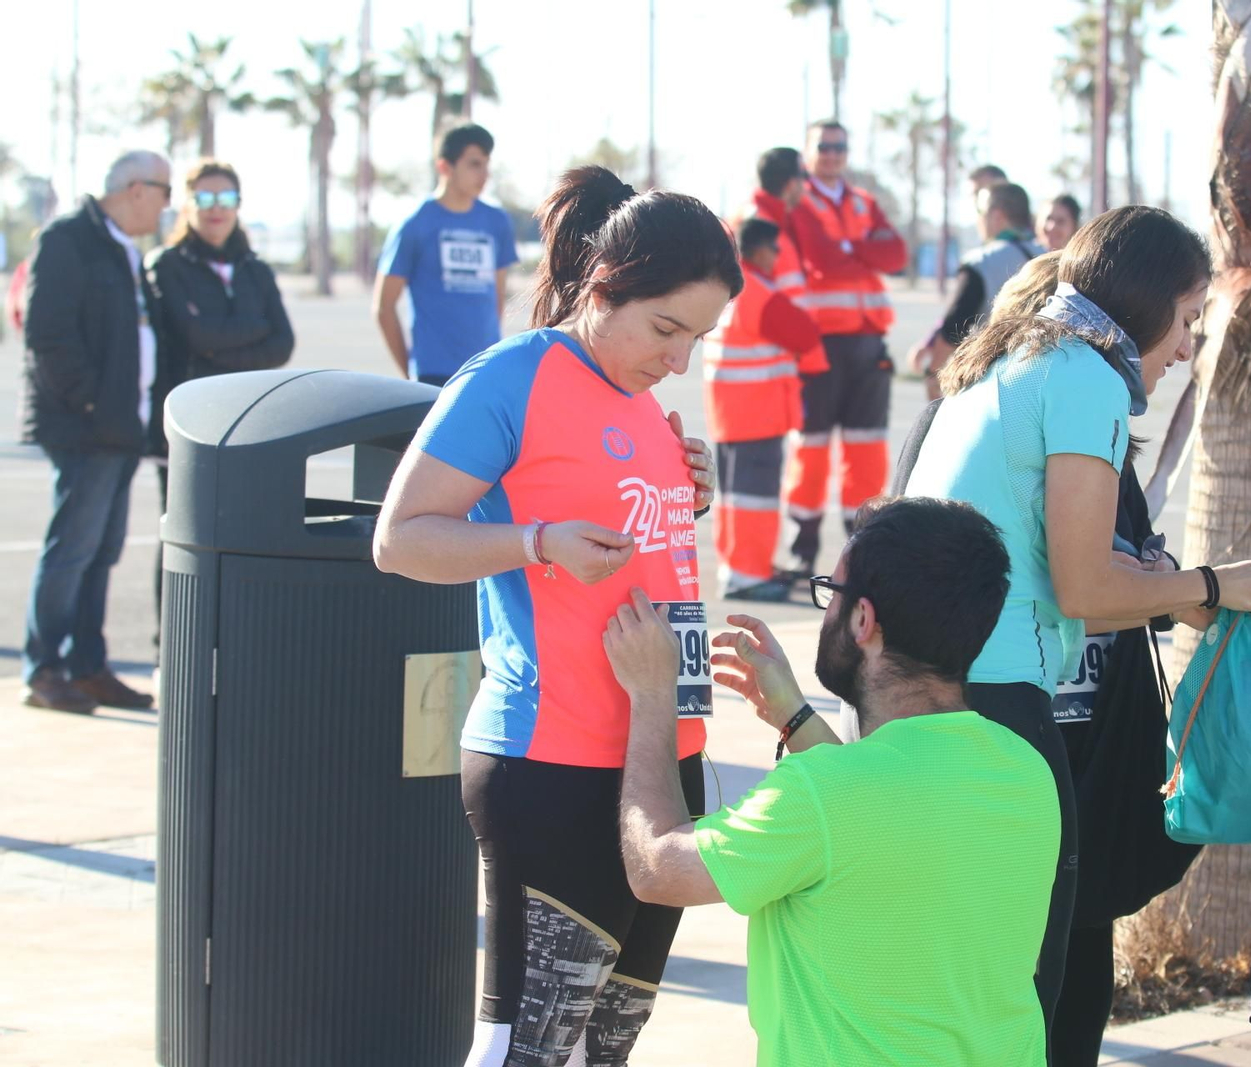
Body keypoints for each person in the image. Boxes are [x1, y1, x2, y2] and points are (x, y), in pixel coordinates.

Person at [372, 165, 736, 1067]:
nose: (679, 358)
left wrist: (689, 495)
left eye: (699, 338)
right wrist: (534, 541)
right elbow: (400, 538)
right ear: (606, 285)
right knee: (527, 1050)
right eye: (665, 328)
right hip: (554, 762)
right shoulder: (513, 377)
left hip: (663, 759)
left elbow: (635, 549)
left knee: (603, 1048)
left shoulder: (650, 406)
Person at [905, 206, 1251, 1059]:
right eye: (1189, 318)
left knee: (986, 975)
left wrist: (1173, 592)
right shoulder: (1085, 376)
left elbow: (1058, 562)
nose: (1188, 345)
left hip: (945, 697)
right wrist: (1213, 584)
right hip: (1005, 704)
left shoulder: (1019, 355)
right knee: (1041, 991)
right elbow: (1084, 587)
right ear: (1148, 302)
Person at [602, 496, 1059, 1066]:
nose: (826, 611)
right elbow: (884, 823)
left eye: (831, 593)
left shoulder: (822, 794)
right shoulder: (1025, 770)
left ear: (863, 620)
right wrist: (794, 716)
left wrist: (650, 696)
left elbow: (658, 869)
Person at [20, 149, 171, 714]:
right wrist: (93, 405)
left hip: (118, 430)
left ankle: (87, 668)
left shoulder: (124, 250)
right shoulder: (69, 239)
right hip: (87, 428)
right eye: (165, 192)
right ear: (136, 189)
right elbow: (48, 335)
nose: (166, 208)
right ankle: (44, 668)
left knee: (100, 552)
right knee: (72, 550)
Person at [146, 159, 295, 630]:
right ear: (187, 205)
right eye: (205, 199)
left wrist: (222, 338)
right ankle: (171, 638)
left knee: (245, 530)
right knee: (184, 531)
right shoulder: (165, 266)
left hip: (250, 422)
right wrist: (251, 332)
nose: (216, 210)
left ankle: (234, 636)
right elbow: (193, 336)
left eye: (226, 200)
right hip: (189, 428)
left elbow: (283, 343)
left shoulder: (254, 269)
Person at [784, 120, 907, 574]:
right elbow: (823, 259)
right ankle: (804, 548)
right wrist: (861, 249)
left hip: (868, 344)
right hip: (818, 344)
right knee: (811, 448)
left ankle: (861, 548)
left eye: (839, 146)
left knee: (866, 449)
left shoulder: (864, 202)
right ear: (808, 152)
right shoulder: (800, 202)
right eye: (823, 147)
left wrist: (848, 247)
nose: (832, 154)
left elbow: (896, 256)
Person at [704, 218, 827, 602]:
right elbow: (803, 333)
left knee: (734, 499)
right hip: (756, 410)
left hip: (731, 410)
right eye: (776, 250)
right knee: (754, 500)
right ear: (760, 251)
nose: (778, 257)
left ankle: (738, 567)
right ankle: (748, 576)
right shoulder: (759, 290)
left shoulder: (729, 289)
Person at [375, 122, 518, 386]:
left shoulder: (497, 222)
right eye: (474, 164)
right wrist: (408, 373)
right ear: (445, 167)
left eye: (487, 163)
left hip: (484, 371)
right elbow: (383, 306)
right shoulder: (415, 224)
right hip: (433, 375)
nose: (484, 173)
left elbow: (496, 298)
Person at [909, 181, 1043, 398]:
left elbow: (956, 324)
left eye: (980, 212)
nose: (978, 220)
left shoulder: (981, 262)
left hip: (996, 381)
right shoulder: (1052, 257)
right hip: (1045, 374)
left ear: (997, 216)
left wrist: (934, 374)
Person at [739, 147, 809, 298]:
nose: (806, 185)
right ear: (791, 183)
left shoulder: (772, 221)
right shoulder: (760, 226)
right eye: (804, 176)